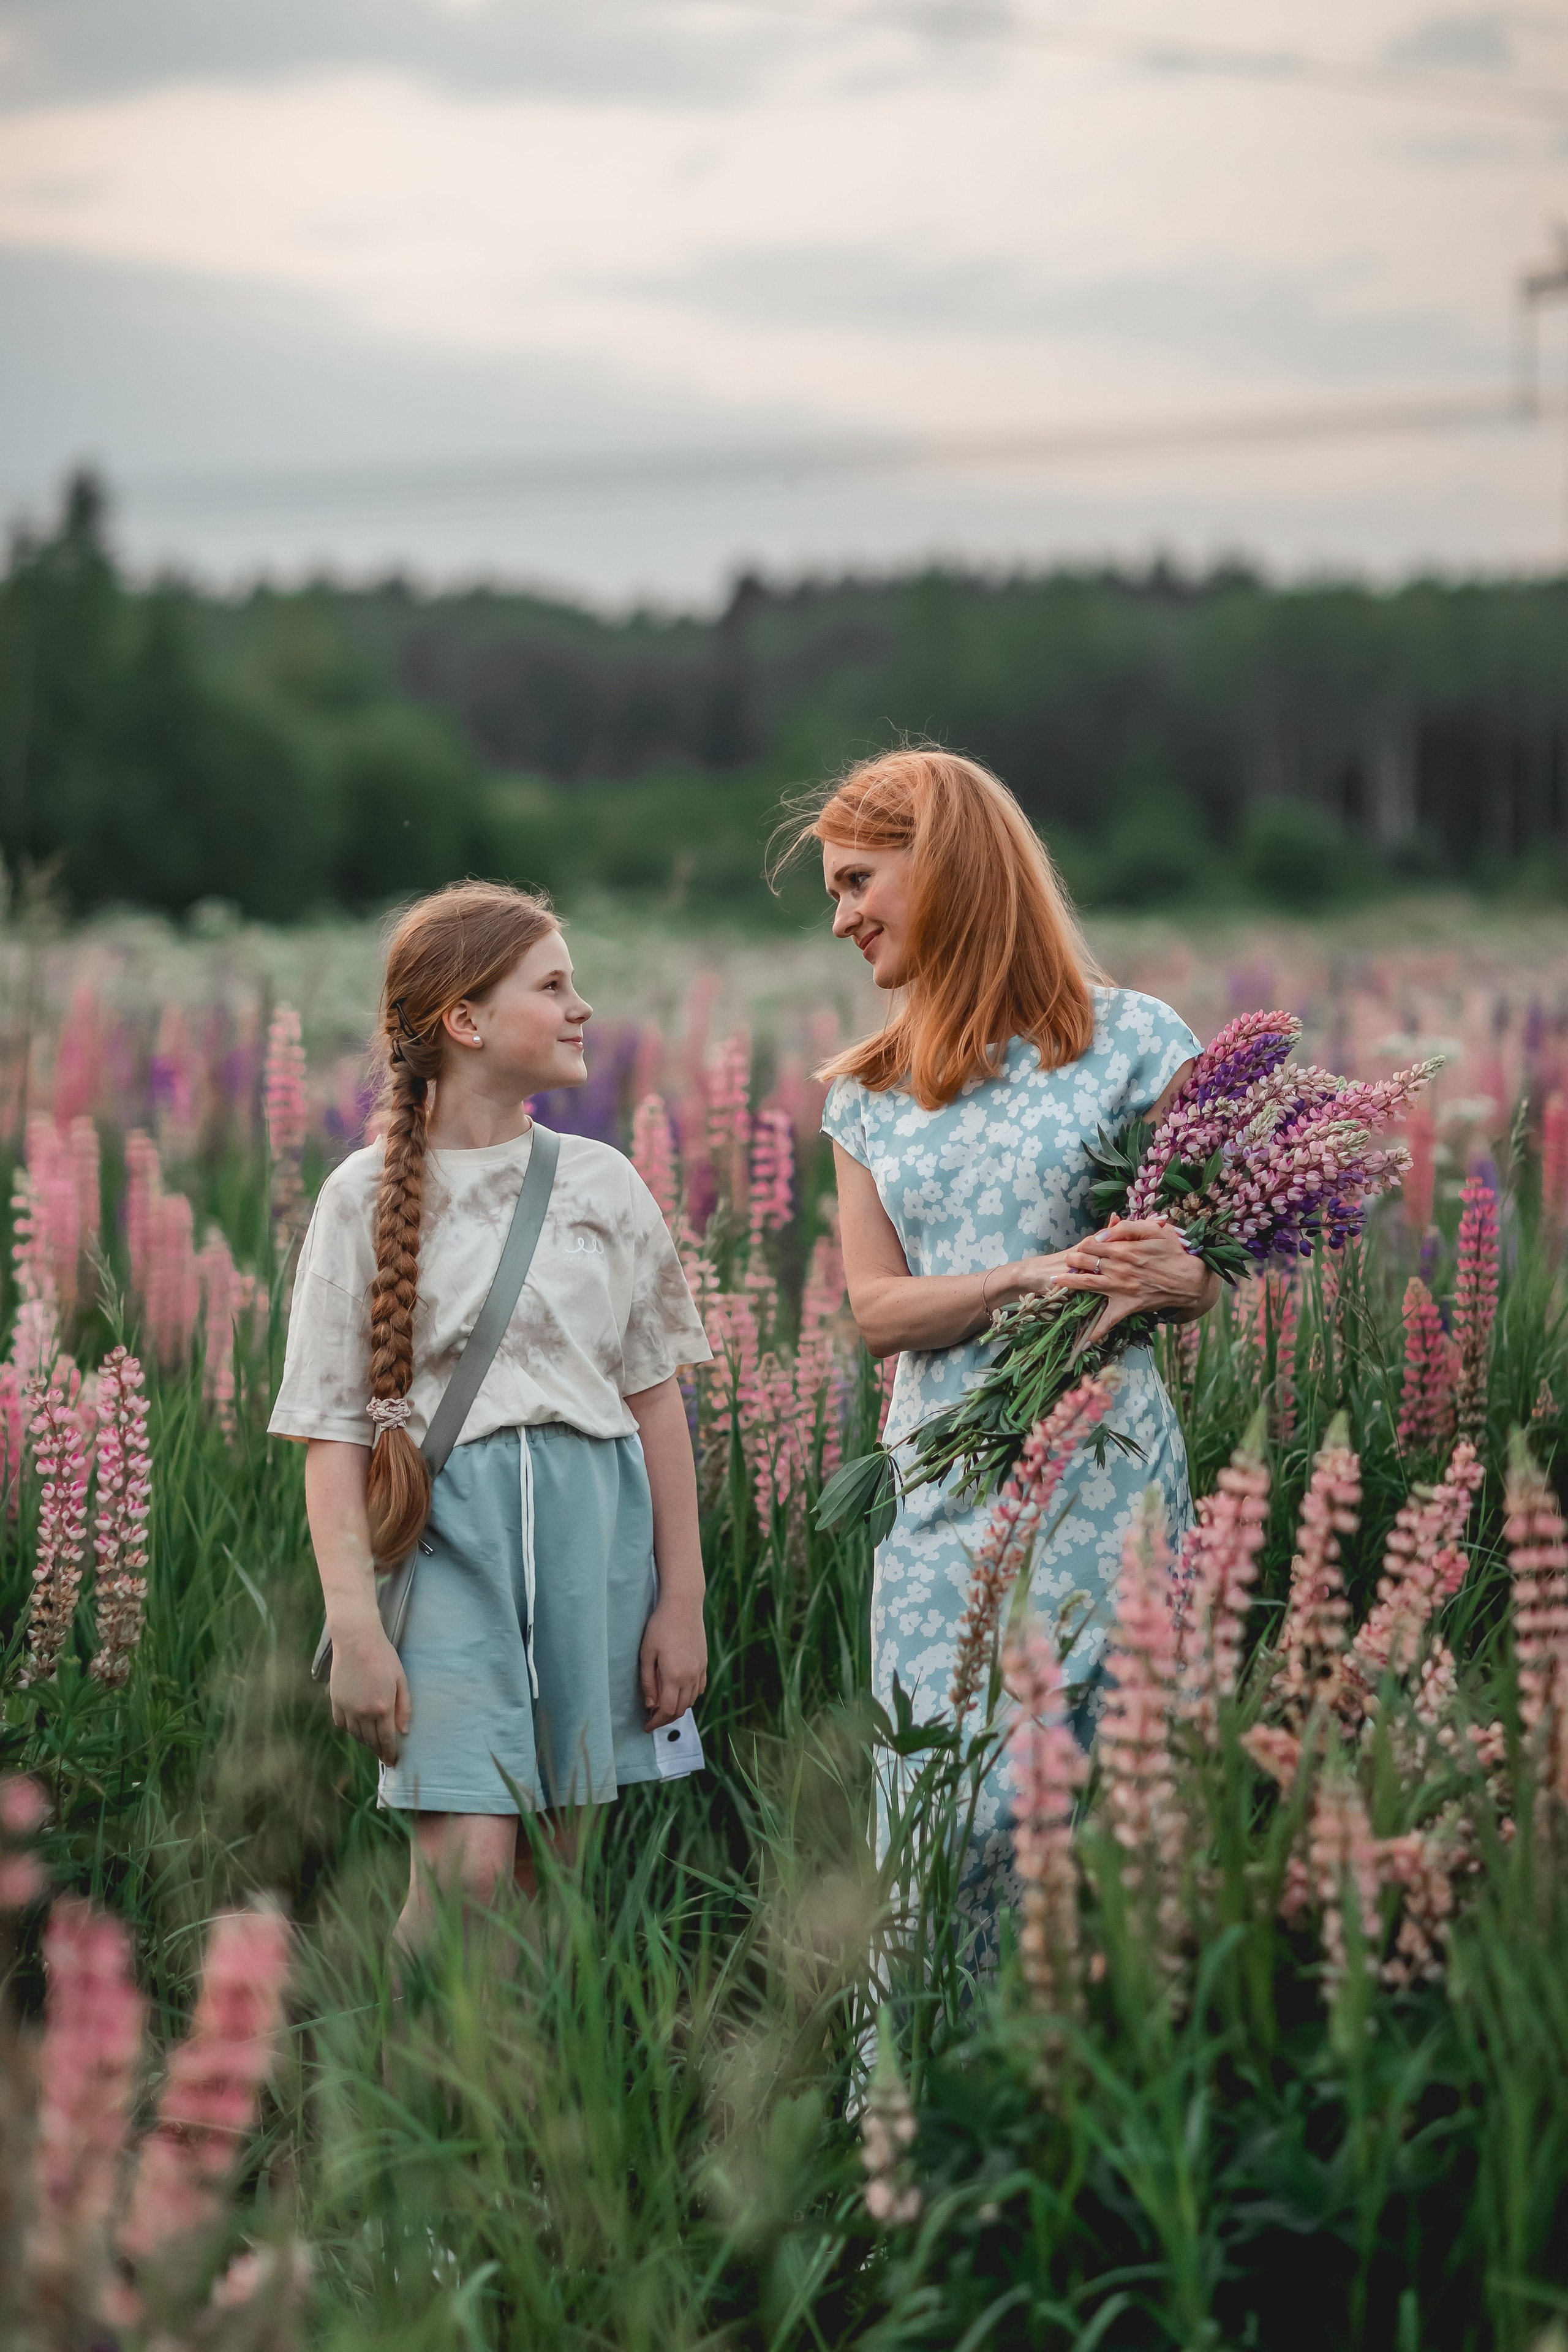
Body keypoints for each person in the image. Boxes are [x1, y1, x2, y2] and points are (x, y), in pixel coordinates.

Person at [794, 747, 1218, 1910]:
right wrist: (1029, 1278)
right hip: (942, 1486)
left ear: (947, 870)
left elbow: (1196, 1271)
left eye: (857, 882)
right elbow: (876, 1312)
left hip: (1107, 1469)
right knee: (948, 1825)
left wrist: (1180, 1275)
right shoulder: (867, 1090)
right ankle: (928, 2091)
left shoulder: (1135, 1044)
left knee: (1115, 1814)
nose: (842, 918)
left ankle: (1095, 2081)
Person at [269, 881, 712, 1948]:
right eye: (553, 986)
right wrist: (355, 1627)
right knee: (466, 1871)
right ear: (464, 1021)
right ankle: (401, 2097)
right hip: (447, 1542)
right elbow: (332, 1434)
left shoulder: (603, 1182)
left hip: (593, 1538)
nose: (583, 1008)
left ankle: (527, 2105)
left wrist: (682, 1600)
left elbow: (657, 1404)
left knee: (554, 1875)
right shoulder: (360, 1196)